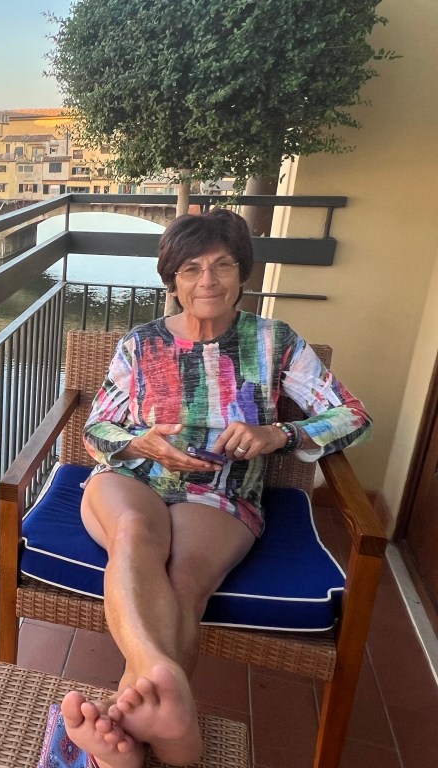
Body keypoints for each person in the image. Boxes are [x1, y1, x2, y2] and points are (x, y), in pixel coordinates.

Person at [60, 208, 372, 768]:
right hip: (131, 478)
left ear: (242, 272)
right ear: (173, 281)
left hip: (221, 489)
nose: (207, 280)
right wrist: (140, 444)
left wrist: (279, 434)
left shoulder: (274, 341)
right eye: (191, 269)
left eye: (222, 265)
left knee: (185, 579)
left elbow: (352, 415)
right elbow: (97, 428)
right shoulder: (141, 344)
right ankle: (166, 704)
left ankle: (137, 732)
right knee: (133, 534)